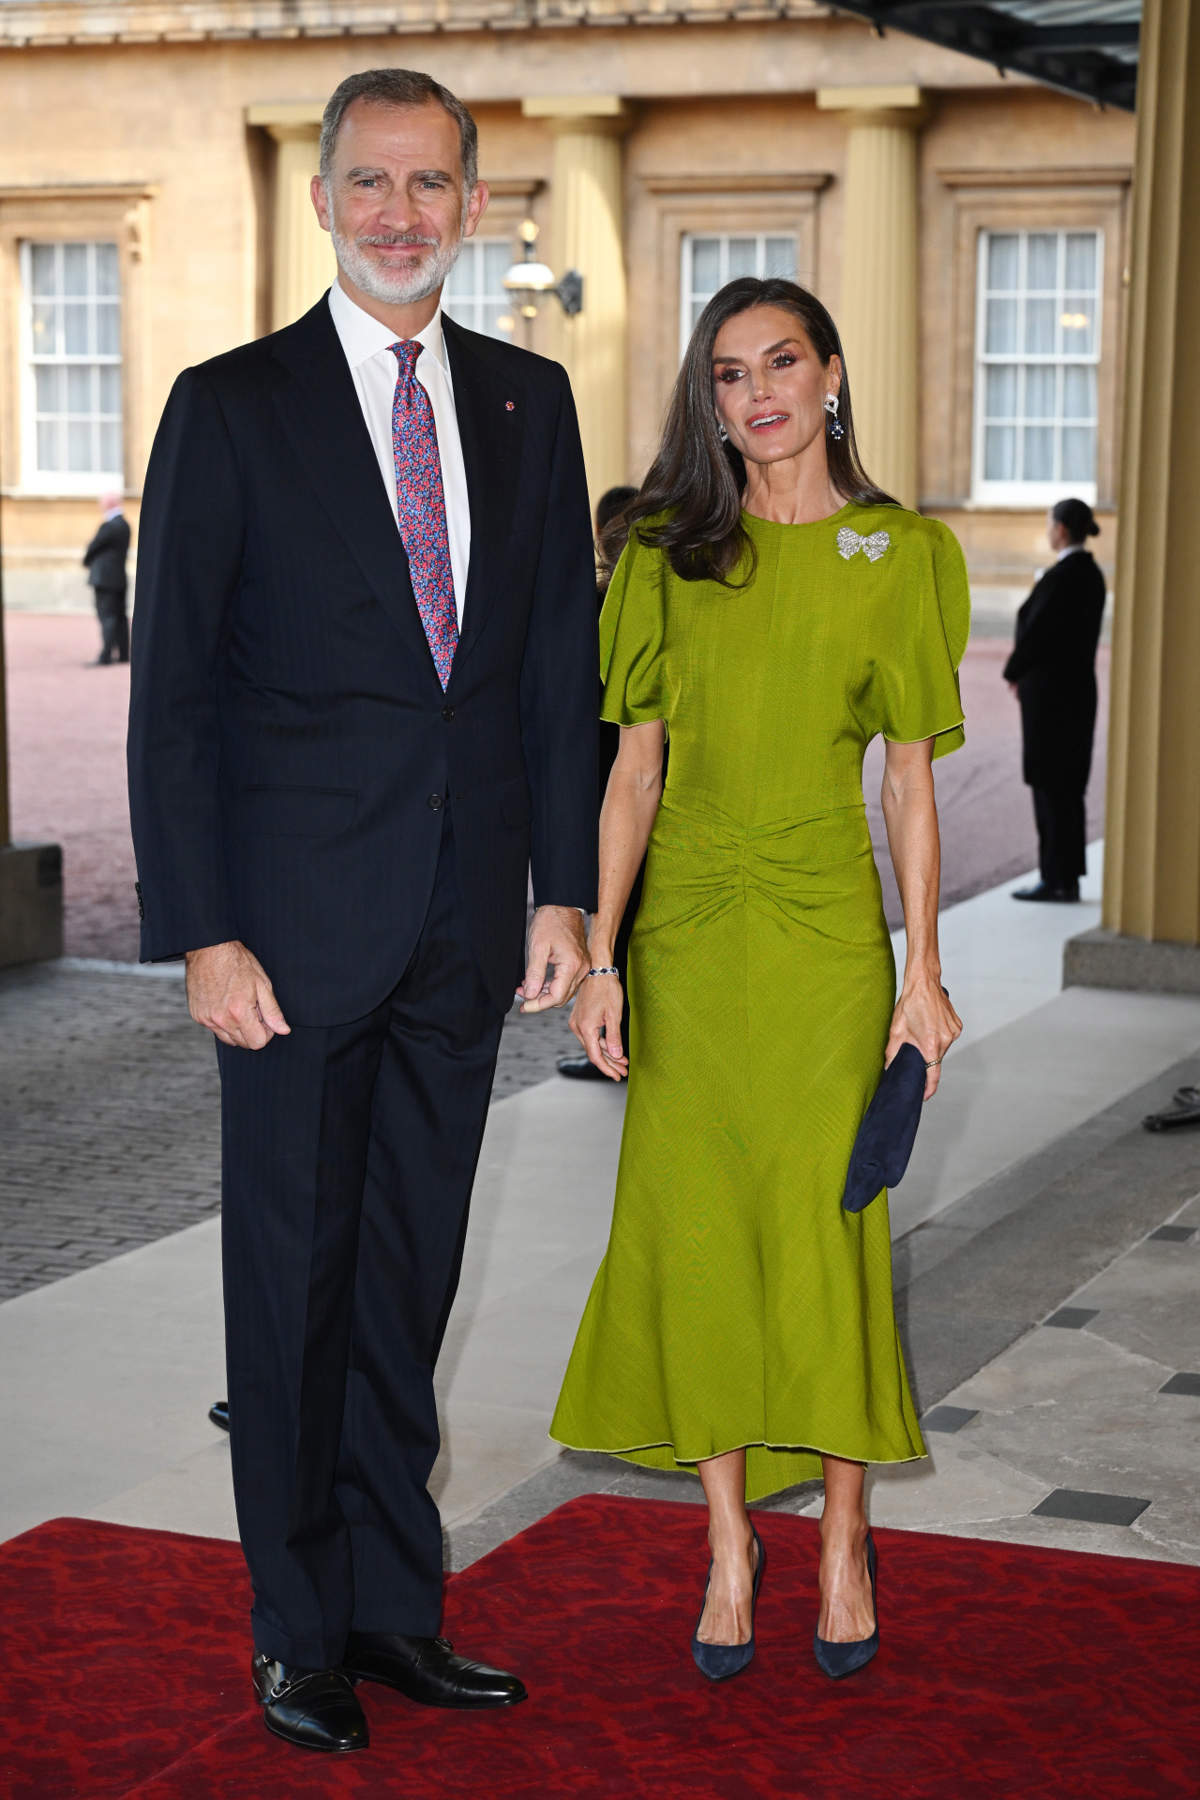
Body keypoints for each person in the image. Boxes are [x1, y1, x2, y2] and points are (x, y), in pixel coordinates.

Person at [128, 67, 597, 1755]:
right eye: (372, 183)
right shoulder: (232, 406)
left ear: (475, 205)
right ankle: (296, 1628)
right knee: (295, 1288)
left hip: (466, 931)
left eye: (434, 184)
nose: (403, 212)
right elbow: (173, 695)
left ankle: (401, 1609)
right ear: (325, 200)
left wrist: (568, 896)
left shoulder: (531, 408)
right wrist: (203, 929)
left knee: (408, 1286)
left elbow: (556, 678)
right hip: (290, 939)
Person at [551, 277, 966, 1683]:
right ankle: (730, 1543)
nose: (758, 393)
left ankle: (845, 1532)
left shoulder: (898, 552)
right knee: (696, 1229)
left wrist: (926, 973)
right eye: (727, 375)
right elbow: (632, 773)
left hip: (824, 950)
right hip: (691, 941)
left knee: (825, 1228)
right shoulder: (668, 554)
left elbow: (910, 784)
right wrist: (602, 957)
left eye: (782, 362)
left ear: (832, 374)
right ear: (707, 401)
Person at [557, 483, 639, 1083]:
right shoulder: (612, 596)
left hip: (610, 772)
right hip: (631, 772)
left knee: (619, 907)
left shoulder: (598, 600)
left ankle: (619, 1036)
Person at [1004, 497, 1106, 903]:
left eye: (1050, 523)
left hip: (1052, 698)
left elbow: (1037, 632)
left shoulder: (1063, 576)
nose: (1048, 530)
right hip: (1076, 692)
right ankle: (1067, 875)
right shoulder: (1091, 574)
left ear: (1061, 528)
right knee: (1068, 786)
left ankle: (1055, 877)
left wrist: (1014, 672)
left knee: (1049, 783)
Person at [83, 493, 131, 664]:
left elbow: (93, 547)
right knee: (119, 616)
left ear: (109, 504)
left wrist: (86, 559)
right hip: (119, 577)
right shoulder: (125, 525)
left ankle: (106, 654)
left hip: (104, 579)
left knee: (107, 616)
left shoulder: (109, 526)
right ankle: (124, 653)